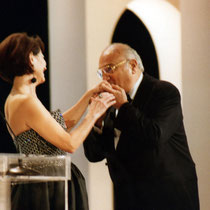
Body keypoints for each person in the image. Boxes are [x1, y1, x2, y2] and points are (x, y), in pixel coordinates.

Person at [0, 32, 116, 210]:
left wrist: (90, 94)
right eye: (43, 58)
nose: (45, 65)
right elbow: (69, 143)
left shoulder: (18, 98)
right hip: (46, 188)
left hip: (45, 183)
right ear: (31, 58)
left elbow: (63, 123)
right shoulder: (25, 101)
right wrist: (93, 113)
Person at [83, 43, 200, 210]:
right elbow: (94, 155)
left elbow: (155, 135)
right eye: (101, 72)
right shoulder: (110, 102)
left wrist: (123, 106)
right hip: (129, 198)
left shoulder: (164, 92)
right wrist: (96, 121)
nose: (105, 77)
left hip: (168, 198)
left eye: (109, 68)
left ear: (132, 66)